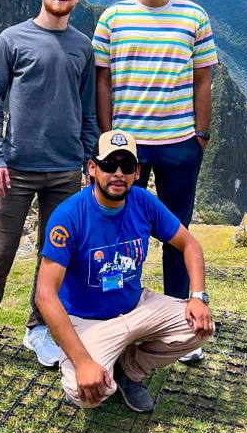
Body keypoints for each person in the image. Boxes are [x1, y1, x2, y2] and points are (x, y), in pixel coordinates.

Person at [0, 0, 99, 379]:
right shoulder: (12, 40)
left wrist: (89, 157)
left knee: (52, 257)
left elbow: (88, 110)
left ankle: (38, 329)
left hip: (65, 170)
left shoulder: (82, 46)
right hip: (16, 170)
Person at [92, 0, 218, 360]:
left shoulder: (194, 16)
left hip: (179, 144)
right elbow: (103, 82)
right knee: (119, 234)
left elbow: (203, 80)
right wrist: (108, 140)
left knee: (176, 234)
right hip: (127, 149)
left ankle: (181, 320)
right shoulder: (113, 18)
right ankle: (117, 315)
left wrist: (201, 136)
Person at [35, 130, 213, 411]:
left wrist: (198, 297)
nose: (118, 173)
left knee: (199, 327)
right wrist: (83, 362)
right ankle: (98, 359)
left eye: (127, 166)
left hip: (135, 306)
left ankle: (127, 370)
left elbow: (189, 244)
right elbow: (45, 295)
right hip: (86, 319)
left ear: (136, 172)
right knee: (83, 394)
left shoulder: (143, 201)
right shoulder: (69, 216)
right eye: (109, 164)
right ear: (92, 168)